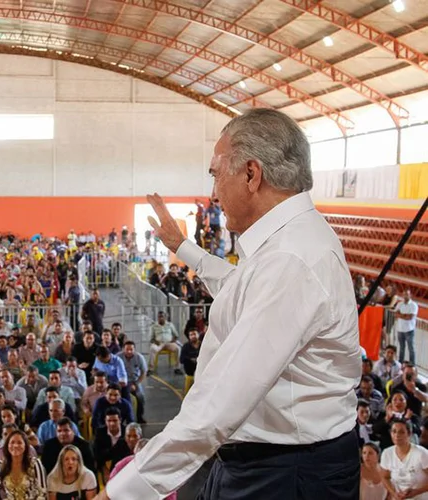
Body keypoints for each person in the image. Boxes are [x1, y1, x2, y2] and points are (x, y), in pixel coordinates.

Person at [103, 109, 361, 499]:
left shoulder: (292, 259)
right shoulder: (286, 244)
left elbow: (219, 404)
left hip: (285, 476)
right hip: (263, 464)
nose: (212, 193)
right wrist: (183, 249)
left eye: (215, 173)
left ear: (251, 174)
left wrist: (122, 493)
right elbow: (244, 289)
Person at [0, 429, 47, 500]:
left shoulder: (35, 463)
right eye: (12, 442)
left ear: (25, 446)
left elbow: (42, 492)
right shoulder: (0, 464)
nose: (15, 445)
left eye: (19, 443)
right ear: (7, 446)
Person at [380, 419, 428, 498]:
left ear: (409, 434)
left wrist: (416, 492)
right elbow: (385, 477)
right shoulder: (387, 453)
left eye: (401, 432)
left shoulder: (422, 454)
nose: (397, 435)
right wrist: (394, 494)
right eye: (394, 431)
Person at [395, 289, 419, 364]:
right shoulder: (399, 304)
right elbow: (396, 314)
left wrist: (401, 315)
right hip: (400, 329)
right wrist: (405, 315)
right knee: (401, 348)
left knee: (411, 348)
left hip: (409, 330)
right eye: (404, 294)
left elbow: (410, 317)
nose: (405, 296)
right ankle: (400, 363)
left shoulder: (413, 305)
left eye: (407, 294)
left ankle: (412, 364)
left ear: (410, 295)